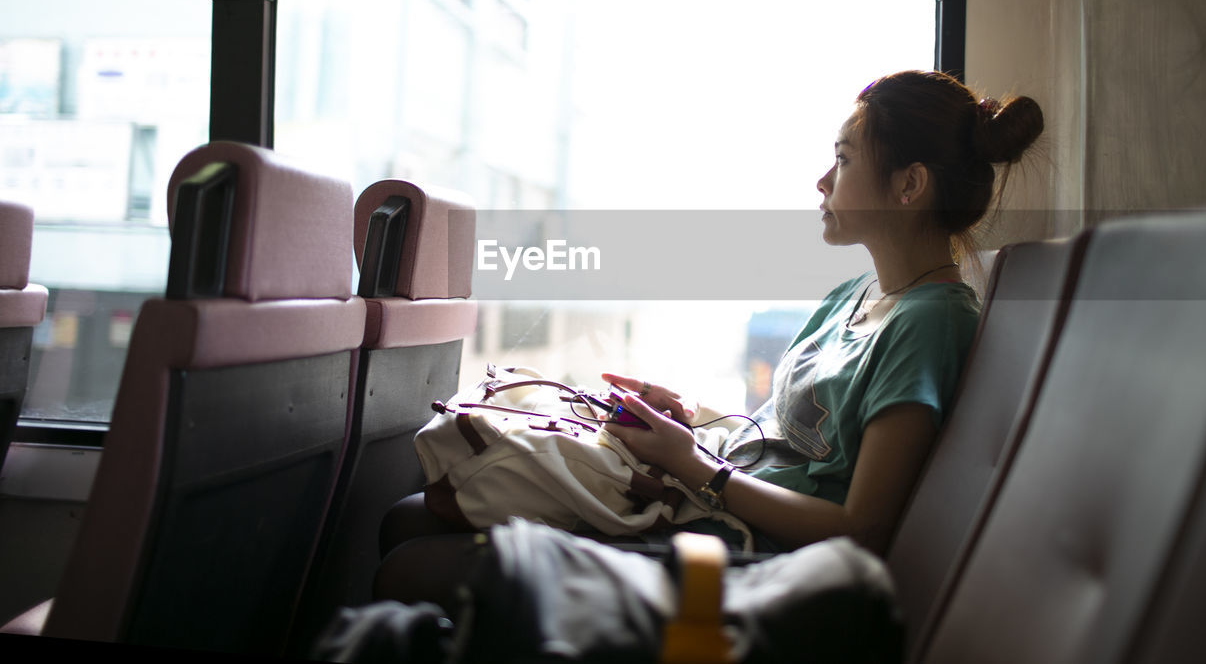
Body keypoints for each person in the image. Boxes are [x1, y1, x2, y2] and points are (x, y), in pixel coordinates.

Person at [372, 70, 1043, 606]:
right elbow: (781, 435)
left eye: (841, 160)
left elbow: (860, 528)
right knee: (410, 515)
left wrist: (695, 465)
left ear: (909, 185)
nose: (821, 181)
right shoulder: (854, 295)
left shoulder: (930, 321)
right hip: (711, 496)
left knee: (409, 556)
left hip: (756, 554)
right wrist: (685, 419)